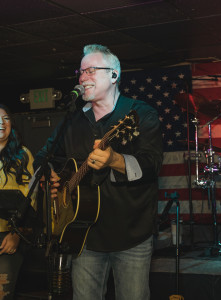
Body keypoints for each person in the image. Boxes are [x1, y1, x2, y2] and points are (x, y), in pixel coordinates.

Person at [33, 44, 163, 300]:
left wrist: (115, 160)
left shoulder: (140, 114)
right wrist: (49, 173)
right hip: (83, 235)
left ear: (114, 75)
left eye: (91, 70)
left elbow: (151, 165)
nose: (82, 78)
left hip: (131, 235)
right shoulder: (72, 120)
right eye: (80, 72)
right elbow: (43, 156)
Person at [0, 104, 36, 300]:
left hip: (7, 237)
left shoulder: (23, 155)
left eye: (5, 118)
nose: (1, 123)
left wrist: (17, 234)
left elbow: (31, 197)